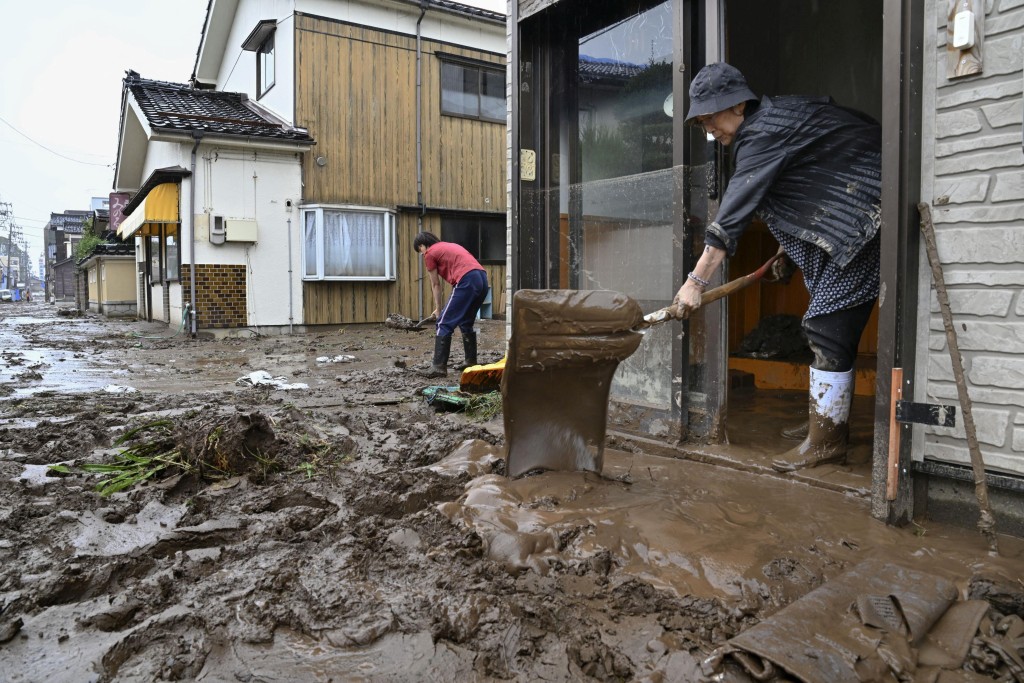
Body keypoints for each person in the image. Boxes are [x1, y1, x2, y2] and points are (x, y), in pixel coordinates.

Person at [672, 62, 881, 472]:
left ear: (736, 104)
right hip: (848, 213)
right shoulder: (775, 121)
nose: (709, 129)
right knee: (828, 326)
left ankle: (826, 442)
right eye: (701, 123)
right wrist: (788, 249)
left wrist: (696, 281)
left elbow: (732, 214)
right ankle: (824, 424)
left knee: (826, 325)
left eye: (710, 117)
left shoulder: (763, 133)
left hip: (863, 217)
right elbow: (803, 186)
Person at [413, 231, 489, 378]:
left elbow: (435, 284)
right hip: (482, 278)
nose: (422, 254)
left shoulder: (430, 253)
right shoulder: (448, 245)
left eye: (420, 250)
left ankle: (438, 367)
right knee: (466, 322)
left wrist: (438, 309)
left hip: (466, 279)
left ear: (422, 245)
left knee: (443, 323)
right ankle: (470, 361)